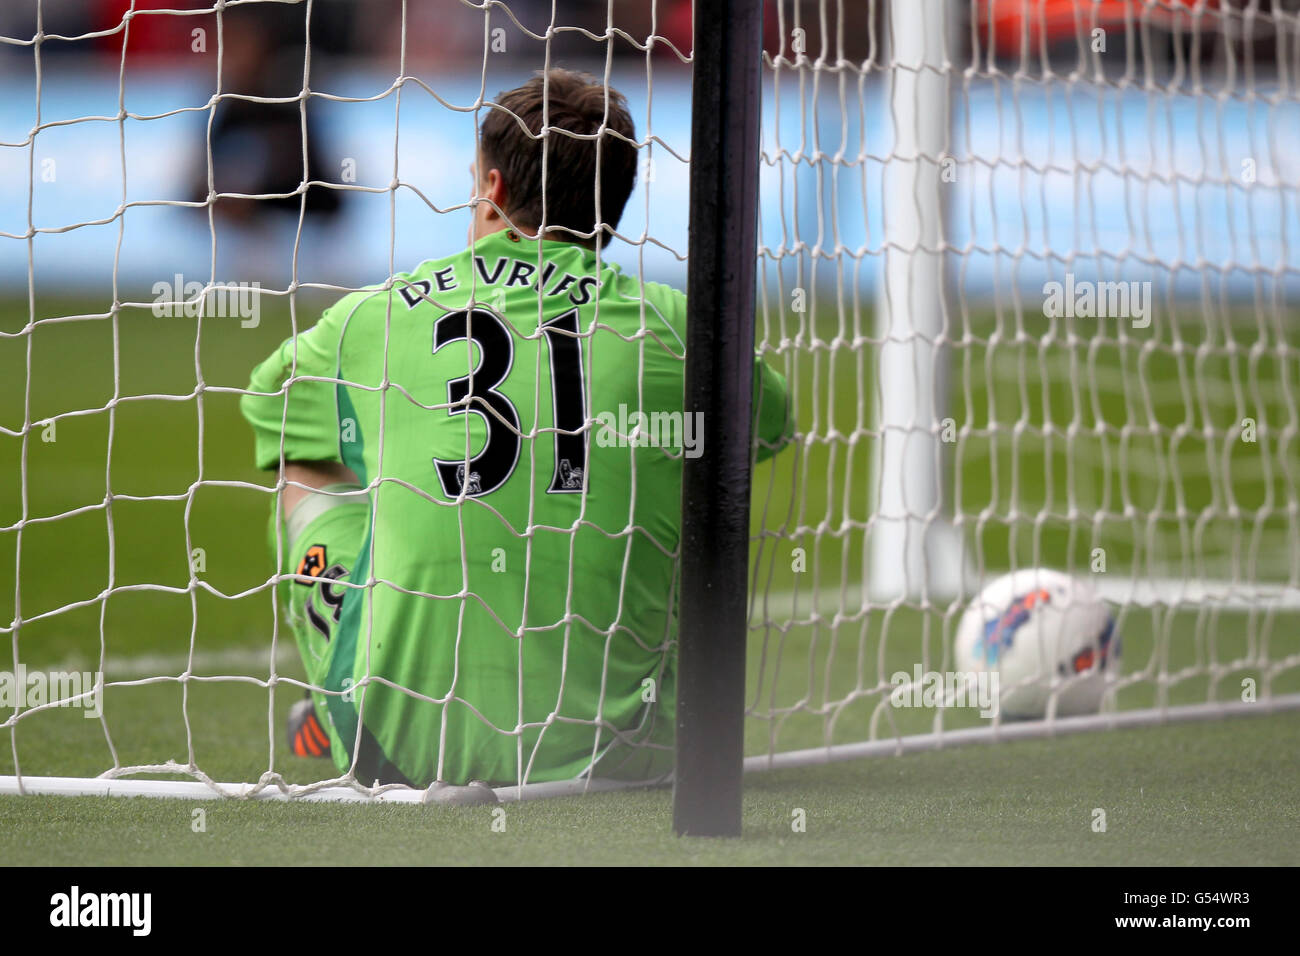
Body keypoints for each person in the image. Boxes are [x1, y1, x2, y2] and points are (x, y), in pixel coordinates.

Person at [240, 68, 792, 789]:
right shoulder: (680, 328)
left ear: (492, 190)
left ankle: (347, 688)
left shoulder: (366, 321)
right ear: (614, 207)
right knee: (702, 458)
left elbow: (270, 408)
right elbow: (773, 424)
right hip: (635, 758)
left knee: (307, 466)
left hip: (401, 753)